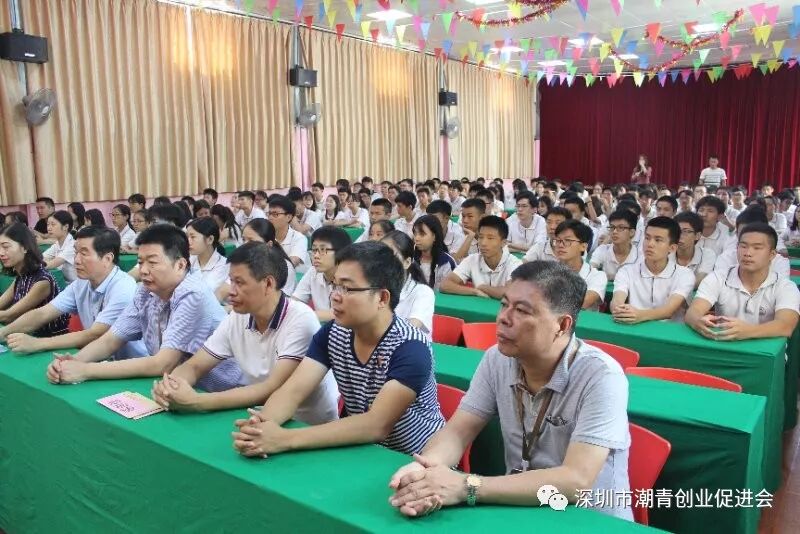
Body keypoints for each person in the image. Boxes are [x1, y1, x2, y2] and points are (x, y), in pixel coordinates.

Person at [388, 260, 631, 520]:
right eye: (504, 305)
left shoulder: (602, 376)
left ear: (561, 325)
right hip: (519, 507)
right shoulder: (497, 359)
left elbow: (576, 480)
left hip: (588, 519)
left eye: (522, 310)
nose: (503, 317)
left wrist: (467, 486)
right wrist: (426, 469)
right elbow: (458, 432)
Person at [231, 241, 445, 458]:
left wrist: (284, 439)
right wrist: (261, 426)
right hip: (360, 450)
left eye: (347, 288)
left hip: (416, 459)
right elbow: (293, 391)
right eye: (335, 285)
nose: (334, 296)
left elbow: (376, 425)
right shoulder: (333, 333)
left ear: (382, 298)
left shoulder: (411, 347)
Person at [150, 243, 339, 420]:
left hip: (307, 423)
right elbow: (195, 366)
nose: (231, 291)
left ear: (268, 284)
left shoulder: (300, 319)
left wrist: (197, 401)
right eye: (231, 282)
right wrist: (171, 387)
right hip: (261, 414)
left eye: (239, 283)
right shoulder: (238, 317)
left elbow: (271, 388)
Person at [45, 224, 241, 391]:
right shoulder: (145, 291)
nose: (144, 270)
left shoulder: (193, 294)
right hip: (178, 386)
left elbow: (163, 363)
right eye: (140, 262)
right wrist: (75, 361)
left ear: (180, 265)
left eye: (152, 262)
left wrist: (86, 371)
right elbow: (111, 340)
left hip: (225, 391)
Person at [0, 227, 147, 358]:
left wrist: (37, 344)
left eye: (84, 253)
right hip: (99, 359)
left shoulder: (123, 287)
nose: (76, 260)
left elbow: (95, 334)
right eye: (76, 252)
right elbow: (43, 313)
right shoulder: (81, 283)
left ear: (107, 258)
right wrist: (3, 332)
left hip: (132, 364)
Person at [686, 223, 800, 340]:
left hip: (767, 349)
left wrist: (748, 331)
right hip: (723, 344)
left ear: (772, 254)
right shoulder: (718, 277)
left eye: (757, 248)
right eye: (743, 246)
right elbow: (693, 311)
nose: (748, 253)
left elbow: (786, 325)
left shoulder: (785, 287)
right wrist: (697, 321)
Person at [610, 217, 695, 323]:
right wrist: (618, 309)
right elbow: (617, 299)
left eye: (658, 240)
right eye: (647, 238)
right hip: (633, 327)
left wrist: (640, 315)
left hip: (669, 331)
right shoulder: (626, 271)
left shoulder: (685, 275)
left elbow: (668, 310)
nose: (650, 244)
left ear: (672, 248)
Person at [0, 223, 69, 334]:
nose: (1, 253)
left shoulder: (42, 281)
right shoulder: (21, 277)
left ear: (25, 247)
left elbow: (9, 315)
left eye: (6, 247)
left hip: (47, 339)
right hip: (25, 335)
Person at [441, 216, 522, 300]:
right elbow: (445, 284)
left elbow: (509, 292)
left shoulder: (515, 264)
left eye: (490, 238)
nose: (483, 243)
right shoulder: (472, 260)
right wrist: (474, 291)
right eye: (481, 237)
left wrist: (483, 287)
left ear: (503, 242)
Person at [382, 231, 435, 336]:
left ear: (407, 262)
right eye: (381, 255)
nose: (384, 261)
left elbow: (409, 331)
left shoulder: (423, 292)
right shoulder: (373, 287)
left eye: (391, 256)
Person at [293, 227, 351, 322]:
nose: (316, 256)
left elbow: (344, 313)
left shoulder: (351, 276)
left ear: (341, 252)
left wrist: (304, 315)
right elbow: (295, 301)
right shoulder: (313, 272)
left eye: (323, 250)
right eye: (314, 250)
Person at [715, 206, 790, 278]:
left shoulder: (779, 262)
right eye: (744, 233)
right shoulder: (726, 258)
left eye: (754, 233)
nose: (749, 238)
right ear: (737, 234)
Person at [553, 220, 607, 310]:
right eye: (558, 240)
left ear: (583, 246)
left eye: (568, 240)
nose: (560, 245)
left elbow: (583, 303)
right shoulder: (546, 271)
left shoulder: (597, 276)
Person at [589, 210, 640, 281]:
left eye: (621, 228)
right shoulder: (603, 250)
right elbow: (590, 270)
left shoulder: (640, 256)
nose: (615, 231)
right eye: (612, 227)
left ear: (632, 232)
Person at [413, 215, 456, 291]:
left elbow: (449, 290)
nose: (416, 238)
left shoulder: (446, 262)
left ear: (434, 236)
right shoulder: (410, 259)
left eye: (422, 234)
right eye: (415, 234)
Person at [674, 212, 717, 288]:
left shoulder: (707, 254)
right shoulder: (665, 254)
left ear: (697, 235)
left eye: (685, 231)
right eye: (676, 231)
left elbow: (701, 280)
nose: (679, 236)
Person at [186, 217, 229, 293]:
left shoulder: (224, 266)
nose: (188, 241)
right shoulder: (188, 260)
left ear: (210, 239)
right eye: (187, 237)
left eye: (193, 237)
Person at [268, 195, 309, 269]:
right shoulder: (265, 236)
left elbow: (292, 262)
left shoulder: (299, 238)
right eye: (269, 214)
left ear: (289, 217)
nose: (270, 217)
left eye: (275, 214)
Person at [42, 210, 78, 284]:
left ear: (65, 227)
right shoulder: (57, 245)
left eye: (53, 224)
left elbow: (51, 264)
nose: (49, 228)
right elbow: (41, 258)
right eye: (48, 224)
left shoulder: (72, 246)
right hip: (65, 284)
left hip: (75, 285)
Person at [451, 198, 485, 262]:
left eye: (470, 216)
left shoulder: (492, 235)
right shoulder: (460, 235)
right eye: (463, 216)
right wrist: (470, 237)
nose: (465, 221)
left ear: (482, 218)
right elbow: (455, 262)